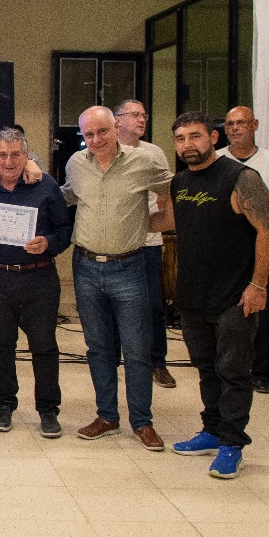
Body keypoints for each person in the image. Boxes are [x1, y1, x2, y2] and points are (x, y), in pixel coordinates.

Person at [153, 112, 269, 479]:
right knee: (206, 368)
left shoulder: (241, 177)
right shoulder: (179, 182)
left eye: (195, 136)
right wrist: (116, 220)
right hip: (193, 295)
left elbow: (268, 231)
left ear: (213, 138)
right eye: (180, 138)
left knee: (233, 372)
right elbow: (170, 222)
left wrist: (258, 285)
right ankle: (211, 430)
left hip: (235, 296)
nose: (187, 144)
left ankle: (232, 444)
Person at [63, 105, 171, 450]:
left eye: (102, 132)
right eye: (89, 134)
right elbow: (66, 195)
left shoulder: (143, 161)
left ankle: (142, 421)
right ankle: (107, 416)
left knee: (137, 350)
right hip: (86, 267)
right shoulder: (76, 163)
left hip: (130, 267)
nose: (96, 140)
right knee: (98, 348)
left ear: (116, 127)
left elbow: (171, 188)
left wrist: (162, 221)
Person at [0, 128, 72, 438]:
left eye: (16, 154)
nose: (9, 161)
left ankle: (48, 410)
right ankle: (4, 405)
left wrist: (49, 242)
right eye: (2, 155)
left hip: (39, 277)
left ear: (27, 156)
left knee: (44, 345)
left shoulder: (46, 185)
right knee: (1, 345)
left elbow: (64, 230)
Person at [219, 105, 269, 394]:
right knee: (226, 311)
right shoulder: (217, 161)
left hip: (263, 248)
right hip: (226, 252)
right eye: (230, 124)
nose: (235, 128)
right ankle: (226, 368)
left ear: (255, 125)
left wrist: (264, 232)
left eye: (241, 122)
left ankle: (263, 371)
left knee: (263, 309)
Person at [114, 100, 176, 389]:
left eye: (144, 115)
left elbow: (165, 194)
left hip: (147, 241)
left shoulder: (153, 153)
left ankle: (157, 362)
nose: (142, 120)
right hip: (113, 243)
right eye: (135, 115)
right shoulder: (105, 151)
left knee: (152, 304)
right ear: (117, 120)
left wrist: (151, 223)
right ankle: (114, 359)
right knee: (113, 305)